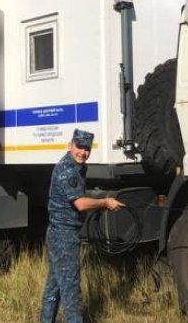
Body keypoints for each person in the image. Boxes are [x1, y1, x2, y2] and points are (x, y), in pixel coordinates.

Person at [40, 129, 125, 323]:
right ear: (70, 145)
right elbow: (80, 204)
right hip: (63, 236)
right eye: (79, 147)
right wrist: (105, 202)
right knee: (71, 292)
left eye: (87, 149)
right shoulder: (68, 169)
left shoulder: (78, 167)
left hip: (59, 233)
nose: (83, 152)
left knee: (54, 287)